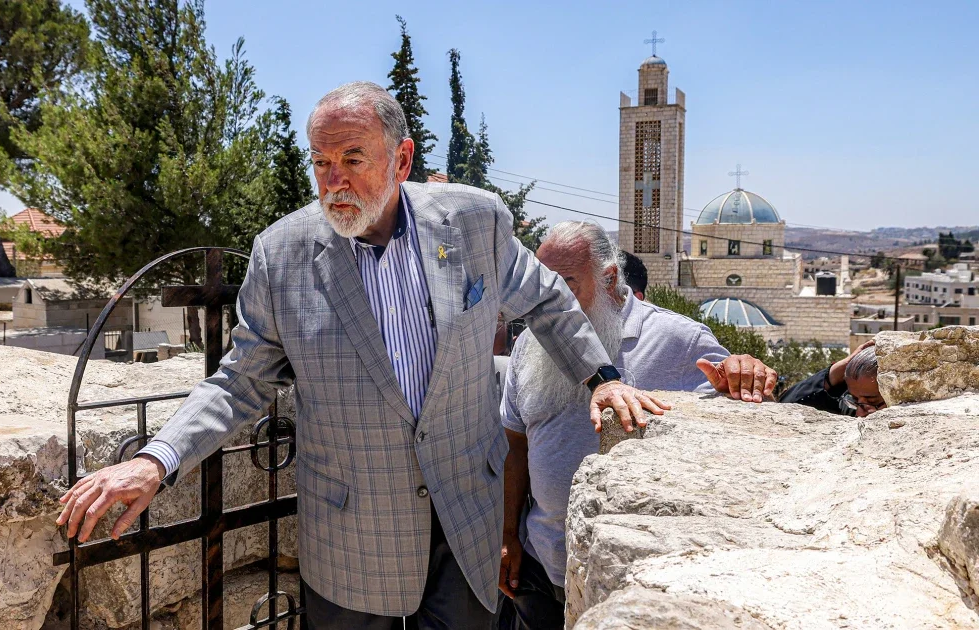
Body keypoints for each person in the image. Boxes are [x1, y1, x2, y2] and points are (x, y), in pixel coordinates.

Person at [57, 82, 669, 628]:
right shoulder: (281, 255)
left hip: (465, 519)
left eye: (353, 159)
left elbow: (548, 299)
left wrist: (601, 377)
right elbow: (239, 381)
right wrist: (156, 460)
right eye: (321, 162)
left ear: (401, 160)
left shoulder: (474, 222)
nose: (334, 181)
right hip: (351, 536)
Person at [498, 221, 777, 630]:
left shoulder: (677, 339)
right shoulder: (529, 343)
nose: (550, 301)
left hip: (630, 573)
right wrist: (508, 535)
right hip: (541, 564)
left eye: (566, 285)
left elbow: (746, 413)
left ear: (610, 278)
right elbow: (515, 443)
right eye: (544, 286)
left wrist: (745, 372)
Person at [779, 341, 886, 417]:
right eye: (854, 400)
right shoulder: (849, 407)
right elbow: (787, 406)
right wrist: (836, 372)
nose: (859, 413)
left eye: (872, 401)